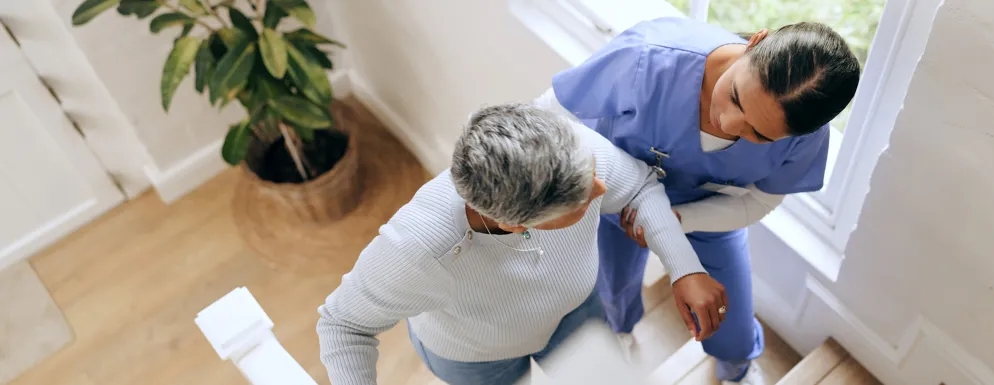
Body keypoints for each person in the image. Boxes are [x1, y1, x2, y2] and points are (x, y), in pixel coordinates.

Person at [537, 18, 861, 384]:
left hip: (709, 212)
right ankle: (620, 332)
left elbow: (759, 202)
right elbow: (549, 114)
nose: (727, 122)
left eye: (757, 133)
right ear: (755, 42)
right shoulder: (647, 58)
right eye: (736, 96)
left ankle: (736, 367)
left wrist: (679, 221)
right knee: (612, 289)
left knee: (730, 315)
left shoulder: (805, 137)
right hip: (614, 204)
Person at [317, 103, 723, 385]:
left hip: (577, 315)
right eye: (583, 199)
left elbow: (637, 186)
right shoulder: (419, 248)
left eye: (593, 174)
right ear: (514, 225)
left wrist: (684, 265)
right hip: (479, 361)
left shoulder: (570, 148)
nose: (601, 189)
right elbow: (343, 324)